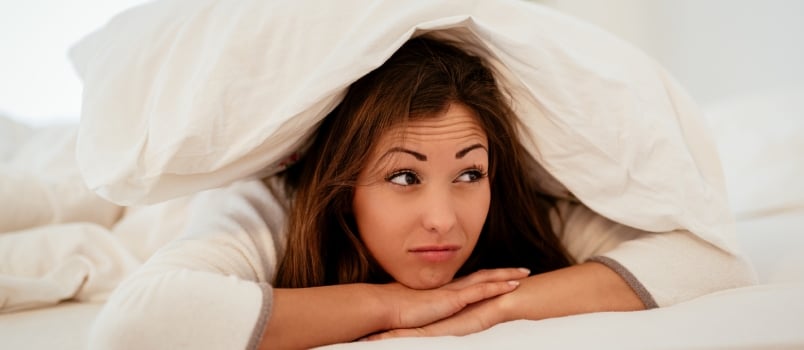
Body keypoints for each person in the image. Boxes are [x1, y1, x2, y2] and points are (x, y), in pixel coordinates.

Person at [89, 37, 755, 350]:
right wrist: (395, 307)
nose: (445, 218)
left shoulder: (520, 214)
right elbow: (137, 320)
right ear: (346, 181)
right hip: (128, 212)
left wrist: (491, 307)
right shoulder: (273, 208)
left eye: (469, 174)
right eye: (403, 177)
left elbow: (714, 259)